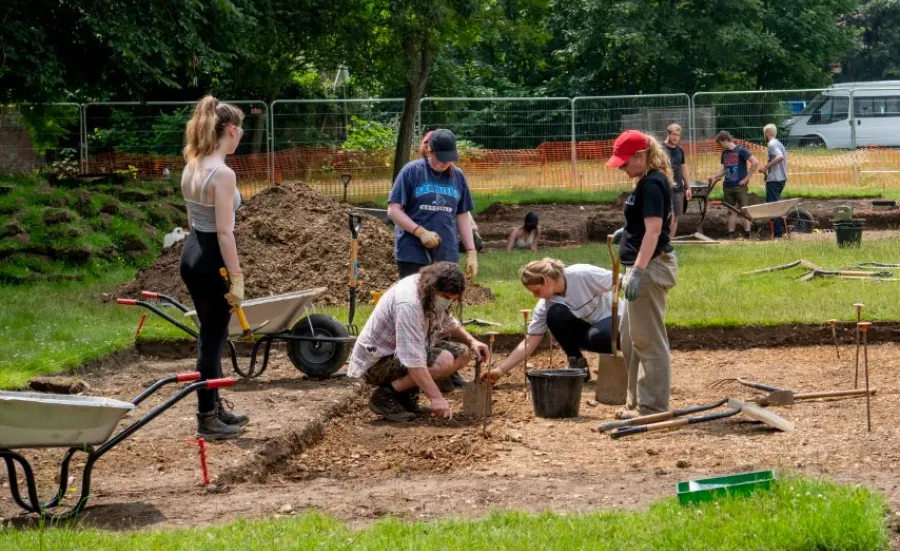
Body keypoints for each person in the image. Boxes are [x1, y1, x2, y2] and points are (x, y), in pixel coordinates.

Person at [178, 96, 249, 440]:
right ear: (231, 130)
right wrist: (236, 278)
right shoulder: (223, 174)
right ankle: (206, 416)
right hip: (211, 260)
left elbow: (195, 219)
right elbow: (224, 231)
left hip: (192, 252)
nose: (242, 137)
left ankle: (215, 404)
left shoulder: (192, 163)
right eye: (241, 131)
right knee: (210, 338)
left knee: (215, 334)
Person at [347, 262, 490, 422]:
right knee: (443, 360)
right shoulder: (408, 303)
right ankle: (385, 396)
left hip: (401, 353)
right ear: (433, 288)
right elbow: (413, 359)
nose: (448, 302)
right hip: (378, 363)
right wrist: (436, 398)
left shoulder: (427, 288)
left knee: (463, 353)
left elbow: (446, 321)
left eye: (452, 299)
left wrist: (472, 341)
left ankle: (405, 394)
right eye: (446, 298)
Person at [607, 130, 678, 418]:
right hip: (641, 265)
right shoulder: (647, 181)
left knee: (648, 339)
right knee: (631, 337)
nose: (622, 167)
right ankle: (636, 401)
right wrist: (630, 231)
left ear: (641, 155)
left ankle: (653, 406)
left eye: (625, 162)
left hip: (648, 269)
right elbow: (659, 220)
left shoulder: (652, 183)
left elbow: (656, 229)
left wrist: (637, 270)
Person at [481, 258, 621, 384]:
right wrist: (499, 371)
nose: (535, 296)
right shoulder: (546, 304)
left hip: (616, 318)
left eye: (536, 291)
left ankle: (629, 355)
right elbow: (530, 342)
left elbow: (623, 281)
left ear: (546, 281)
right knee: (555, 315)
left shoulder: (581, 274)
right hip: (590, 328)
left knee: (596, 336)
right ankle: (577, 365)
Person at [387, 128, 478, 280]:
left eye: (449, 158)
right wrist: (420, 232)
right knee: (414, 299)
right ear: (429, 151)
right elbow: (393, 211)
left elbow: (461, 215)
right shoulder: (412, 171)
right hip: (412, 252)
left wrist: (471, 251)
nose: (445, 162)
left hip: (446, 253)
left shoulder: (458, 176)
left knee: (443, 300)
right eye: (441, 158)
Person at [707, 131, 759, 239]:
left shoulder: (741, 150)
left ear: (725, 140)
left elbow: (755, 162)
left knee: (744, 210)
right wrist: (714, 176)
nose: (720, 147)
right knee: (731, 211)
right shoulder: (724, 153)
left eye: (720, 144)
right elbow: (725, 169)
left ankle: (747, 234)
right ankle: (730, 234)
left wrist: (746, 178)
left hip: (740, 186)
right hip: (728, 187)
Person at [759, 123, 788, 238]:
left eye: (764, 133)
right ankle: (782, 229)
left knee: (772, 206)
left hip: (774, 180)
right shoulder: (779, 143)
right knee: (776, 205)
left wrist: (766, 167)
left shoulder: (771, 144)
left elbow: (779, 157)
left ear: (766, 133)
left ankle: (777, 233)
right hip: (781, 179)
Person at [663, 124, 692, 237]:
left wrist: (688, 187)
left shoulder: (680, 150)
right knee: (667, 217)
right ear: (668, 133)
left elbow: (683, 169)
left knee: (675, 217)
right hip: (664, 188)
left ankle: (670, 242)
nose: (676, 138)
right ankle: (662, 241)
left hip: (678, 189)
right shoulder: (660, 149)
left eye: (678, 135)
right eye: (674, 134)